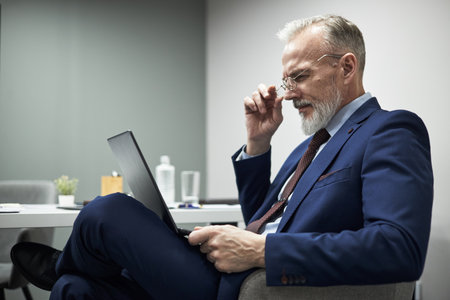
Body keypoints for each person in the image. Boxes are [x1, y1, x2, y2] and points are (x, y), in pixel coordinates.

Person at [11, 14, 433, 300]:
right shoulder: (313, 145)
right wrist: (258, 145)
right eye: (286, 80)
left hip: (252, 281)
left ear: (347, 67)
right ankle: (71, 271)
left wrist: (262, 253)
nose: (287, 94)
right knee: (73, 290)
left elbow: (400, 248)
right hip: (224, 272)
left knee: (106, 212)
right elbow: (260, 219)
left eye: (299, 77)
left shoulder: (390, 130)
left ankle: (63, 263)